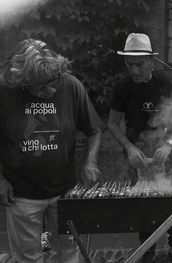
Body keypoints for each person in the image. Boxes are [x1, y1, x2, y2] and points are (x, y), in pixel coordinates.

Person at [0, 39, 101, 262]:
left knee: (70, 254)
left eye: (52, 82)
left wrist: (90, 162)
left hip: (64, 191)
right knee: (28, 258)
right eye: (40, 86)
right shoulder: (5, 91)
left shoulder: (71, 85)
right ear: (23, 82)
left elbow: (94, 129)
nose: (50, 90)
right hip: (21, 194)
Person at [108, 33, 172, 263]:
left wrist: (169, 144)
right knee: (143, 201)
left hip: (166, 148)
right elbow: (112, 124)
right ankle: (147, 247)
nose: (134, 70)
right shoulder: (122, 87)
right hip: (136, 150)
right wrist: (130, 148)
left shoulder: (166, 83)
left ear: (151, 61)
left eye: (140, 64)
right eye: (130, 65)